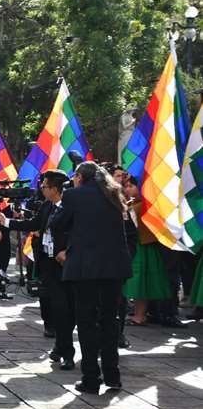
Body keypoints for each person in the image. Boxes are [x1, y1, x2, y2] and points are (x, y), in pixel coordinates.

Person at [50, 161, 132, 394]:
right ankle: (113, 376)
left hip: (85, 268)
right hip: (114, 267)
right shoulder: (115, 194)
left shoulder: (74, 196)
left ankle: (91, 378)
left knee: (86, 322)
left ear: (80, 177)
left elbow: (58, 223)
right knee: (110, 320)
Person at [0, 170, 75, 370]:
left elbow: (80, 233)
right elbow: (32, 224)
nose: (41, 189)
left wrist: (67, 250)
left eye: (45, 186)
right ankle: (63, 348)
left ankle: (65, 349)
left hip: (66, 263)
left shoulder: (71, 207)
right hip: (47, 263)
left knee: (68, 309)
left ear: (55, 188)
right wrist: (7, 222)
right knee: (57, 306)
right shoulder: (46, 207)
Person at [122, 176, 171, 326]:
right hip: (136, 245)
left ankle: (140, 315)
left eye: (131, 186)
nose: (128, 189)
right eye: (126, 186)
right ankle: (140, 313)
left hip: (143, 246)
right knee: (137, 282)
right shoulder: (131, 204)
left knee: (141, 282)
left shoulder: (144, 205)